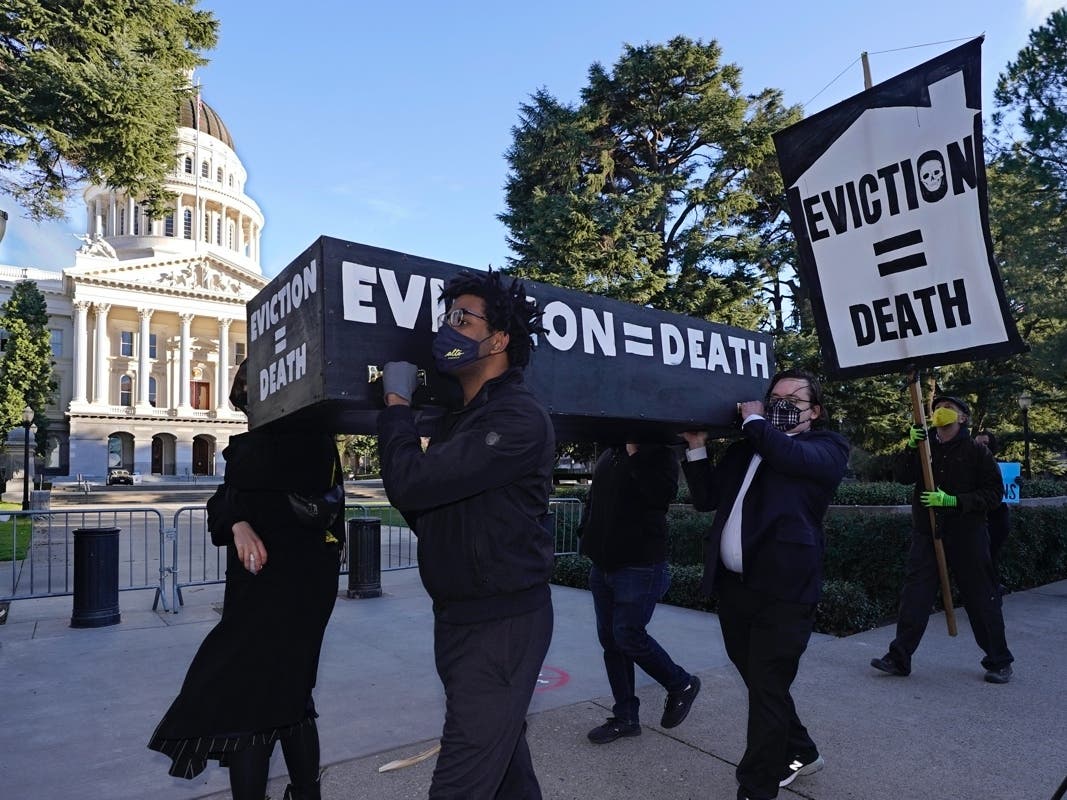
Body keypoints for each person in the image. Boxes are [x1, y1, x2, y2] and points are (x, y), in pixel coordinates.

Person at [377, 269, 555, 799]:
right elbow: (429, 510)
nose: (447, 329)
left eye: (461, 318)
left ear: (498, 340)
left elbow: (411, 484)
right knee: (504, 768)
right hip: (459, 618)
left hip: (501, 626)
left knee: (460, 782)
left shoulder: (517, 418)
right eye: (446, 317)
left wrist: (397, 407)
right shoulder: (462, 421)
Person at [148, 360, 344, 800]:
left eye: (254, 396)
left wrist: (235, 512)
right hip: (259, 589)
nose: (249, 409)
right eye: (246, 399)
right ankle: (306, 793)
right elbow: (221, 505)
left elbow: (245, 494)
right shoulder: (261, 448)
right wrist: (237, 522)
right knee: (287, 696)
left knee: (251, 702)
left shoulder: (299, 442)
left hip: (291, 590)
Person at [681, 369, 848, 800]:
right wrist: (697, 447)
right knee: (761, 684)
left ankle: (757, 786)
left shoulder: (826, 448)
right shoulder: (746, 449)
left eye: (793, 398)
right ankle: (802, 751)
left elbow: (789, 457)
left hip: (785, 594)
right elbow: (706, 499)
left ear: (815, 411)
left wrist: (755, 421)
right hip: (737, 590)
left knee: (767, 686)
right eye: (774, 397)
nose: (780, 405)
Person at [871, 395, 1014, 684]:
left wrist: (954, 501)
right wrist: (911, 447)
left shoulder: (977, 452)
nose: (940, 412)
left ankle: (999, 661)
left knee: (981, 598)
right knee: (915, 596)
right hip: (928, 534)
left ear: (963, 418)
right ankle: (899, 658)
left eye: (948, 408)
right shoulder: (925, 447)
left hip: (967, 536)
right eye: (936, 408)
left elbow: (993, 494)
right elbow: (902, 476)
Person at [578, 441, 701, 744]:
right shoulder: (610, 453)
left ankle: (681, 684)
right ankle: (625, 718)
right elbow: (595, 499)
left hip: (640, 567)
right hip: (602, 567)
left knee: (628, 636)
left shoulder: (658, 453)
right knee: (611, 642)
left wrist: (636, 454)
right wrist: (586, 533)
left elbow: (660, 496)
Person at [974, 429, 1011, 586]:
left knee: (990, 555)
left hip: (997, 518)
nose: (982, 447)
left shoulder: (1000, 464)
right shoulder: (970, 466)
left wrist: (1017, 482)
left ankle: (992, 587)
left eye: (985, 443)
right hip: (978, 518)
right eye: (978, 443)